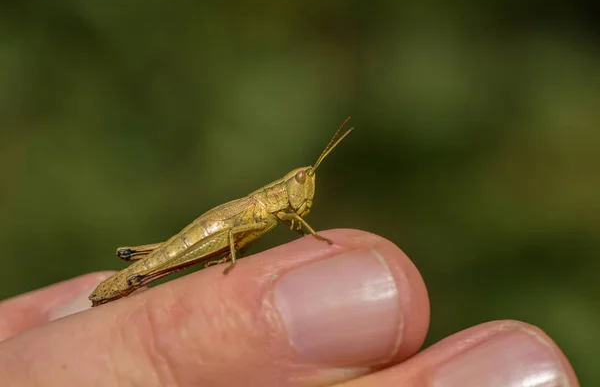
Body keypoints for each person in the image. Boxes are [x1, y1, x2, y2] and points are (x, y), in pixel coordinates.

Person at [0, 229, 578, 386]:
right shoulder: (263, 206)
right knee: (148, 262)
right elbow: (240, 231)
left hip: (217, 240)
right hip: (199, 240)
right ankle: (134, 273)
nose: (304, 191)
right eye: (299, 184)